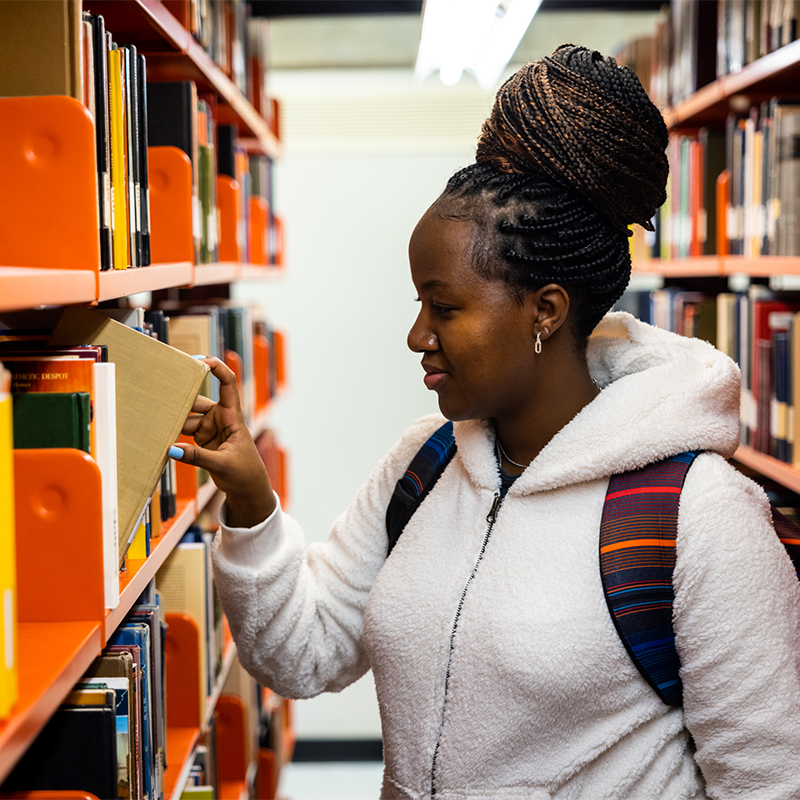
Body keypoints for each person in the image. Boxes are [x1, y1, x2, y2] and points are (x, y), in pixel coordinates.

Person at [170, 45, 800, 799]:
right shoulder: (425, 462)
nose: (417, 337)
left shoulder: (700, 513)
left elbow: (764, 782)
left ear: (545, 311)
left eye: (446, 308)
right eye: (418, 306)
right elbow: (302, 655)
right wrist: (250, 502)